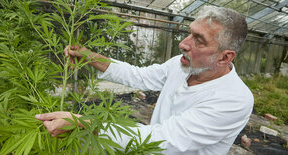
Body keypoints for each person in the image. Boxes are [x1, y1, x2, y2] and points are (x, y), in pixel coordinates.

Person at [35, 6, 254, 154]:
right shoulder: (183, 64)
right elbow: (139, 75)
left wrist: (83, 124)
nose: (184, 44)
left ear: (225, 57)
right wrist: (91, 58)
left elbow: (164, 139)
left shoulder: (234, 99)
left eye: (199, 40)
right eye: (190, 33)